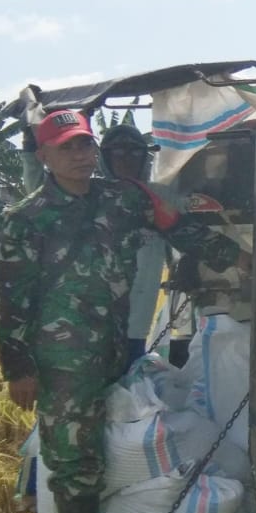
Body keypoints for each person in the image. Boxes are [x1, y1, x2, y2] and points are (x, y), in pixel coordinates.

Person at [0, 109, 249, 513]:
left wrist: (237, 258)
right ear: (46, 156)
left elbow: (179, 229)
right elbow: (9, 298)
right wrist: (18, 369)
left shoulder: (126, 200)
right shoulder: (27, 218)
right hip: (61, 360)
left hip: (113, 346)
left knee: (109, 442)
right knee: (73, 456)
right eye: (66, 147)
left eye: (84, 144)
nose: (78, 154)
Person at [98, 123, 167, 367]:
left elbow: (191, 232)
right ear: (105, 157)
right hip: (93, 330)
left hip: (137, 326)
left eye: (135, 152)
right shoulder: (89, 196)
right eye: (118, 153)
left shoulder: (161, 198)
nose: (126, 160)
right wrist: (29, 147)